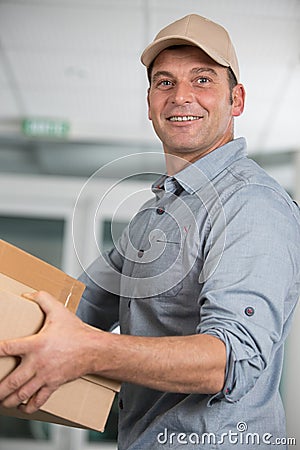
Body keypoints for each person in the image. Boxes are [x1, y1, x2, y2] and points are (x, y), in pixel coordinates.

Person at [0, 13, 299, 450]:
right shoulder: (156, 213)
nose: (181, 96)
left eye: (202, 80)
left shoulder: (252, 204)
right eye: (165, 82)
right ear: (149, 102)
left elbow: (230, 361)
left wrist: (88, 351)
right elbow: (78, 305)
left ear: (236, 100)